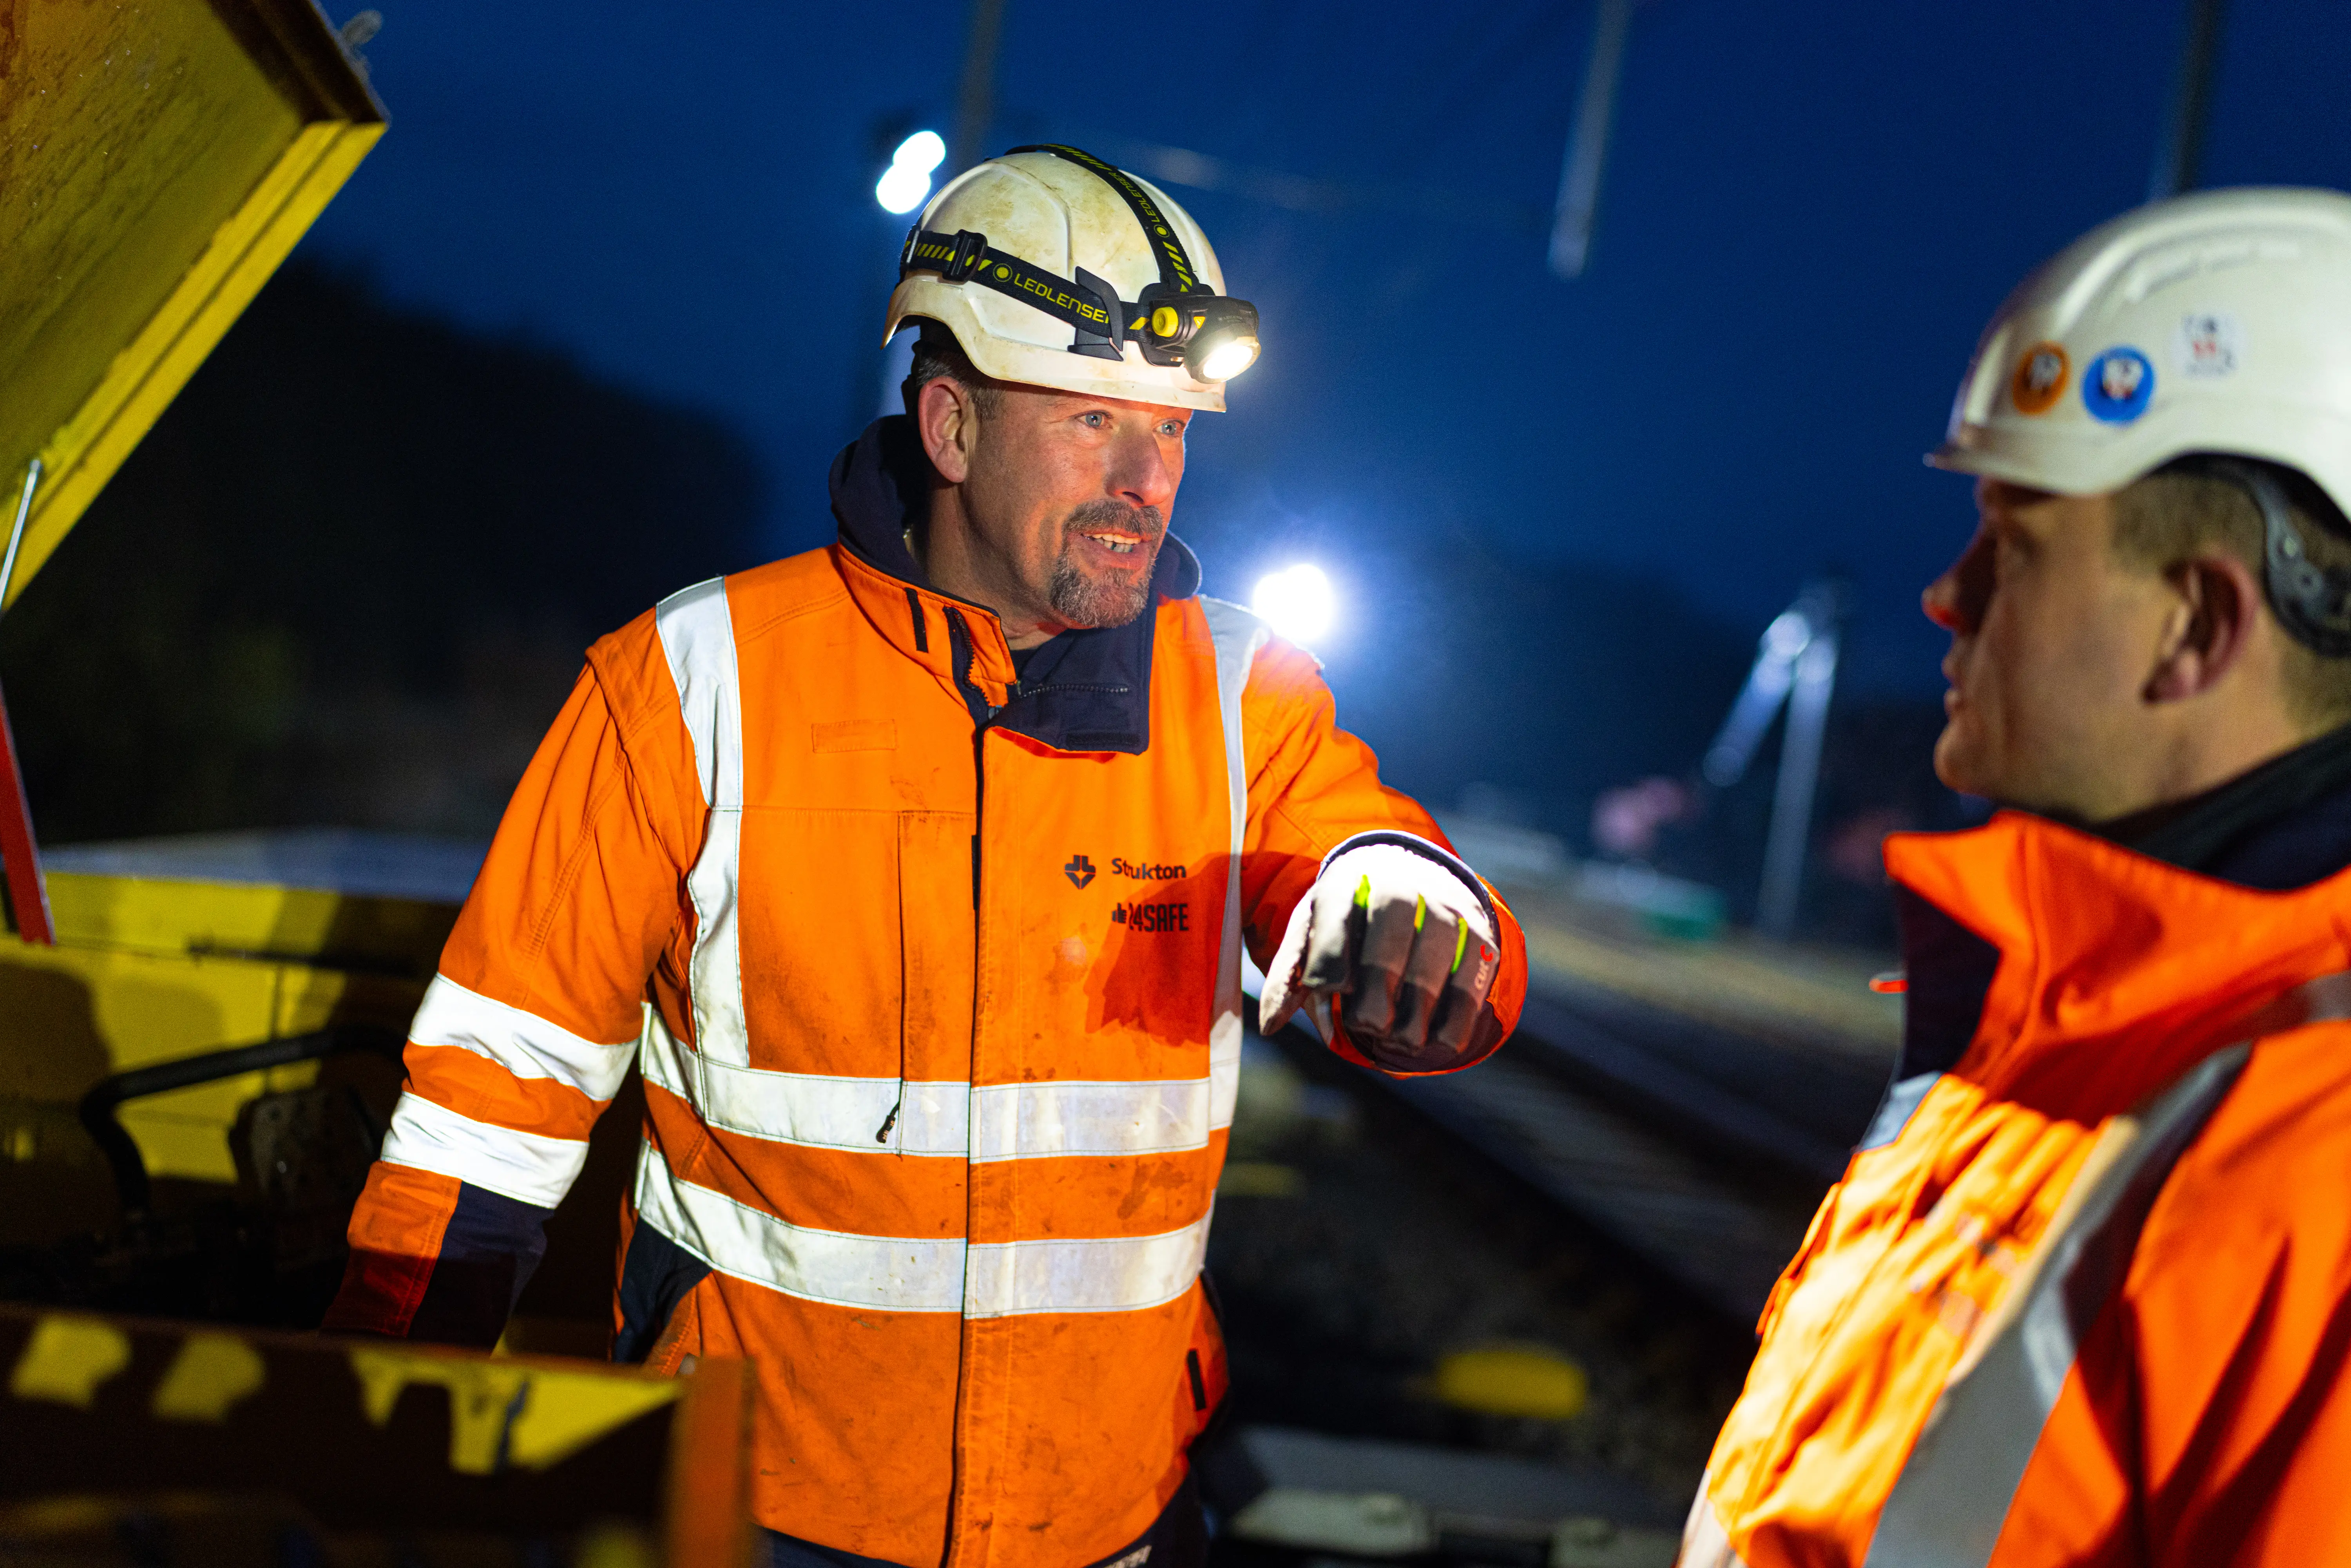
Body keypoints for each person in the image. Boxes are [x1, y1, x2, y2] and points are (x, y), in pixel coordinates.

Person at [322, 144, 1527, 1568]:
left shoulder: (1238, 695)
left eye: (1175, 431)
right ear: (950, 427)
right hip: (756, 1509)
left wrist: (1410, 923)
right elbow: (489, 1101)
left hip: (1101, 1515)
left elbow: (1370, 856)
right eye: (1092, 421)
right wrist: (377, 1448)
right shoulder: (696, 680)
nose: (1150, 481)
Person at [1681, 187, 2351, 1566]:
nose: (1948, 595)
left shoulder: (2314, 1148)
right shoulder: (2083, 1021)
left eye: (2017, 545)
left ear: (2198, 625)